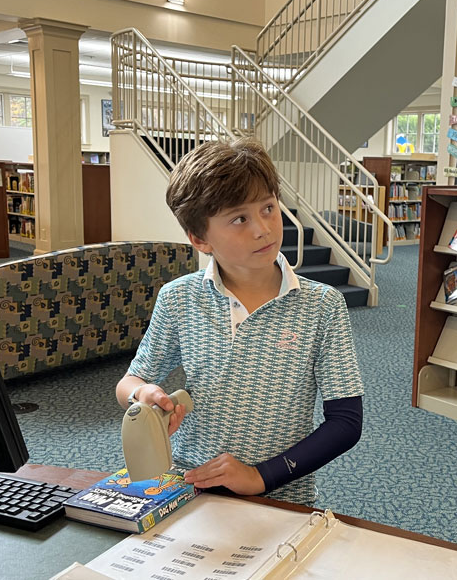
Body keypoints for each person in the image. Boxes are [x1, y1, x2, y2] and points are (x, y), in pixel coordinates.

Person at [115, 138, 364, 506]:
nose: (263, 228)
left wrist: (262, 476)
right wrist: (143, 394)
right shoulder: (179, 298)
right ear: (200, 239)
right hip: (190, 484)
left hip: (282, 493)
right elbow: (129, 382)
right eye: (239, 219)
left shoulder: (322, 305)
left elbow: (346, 422)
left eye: (268, 207)